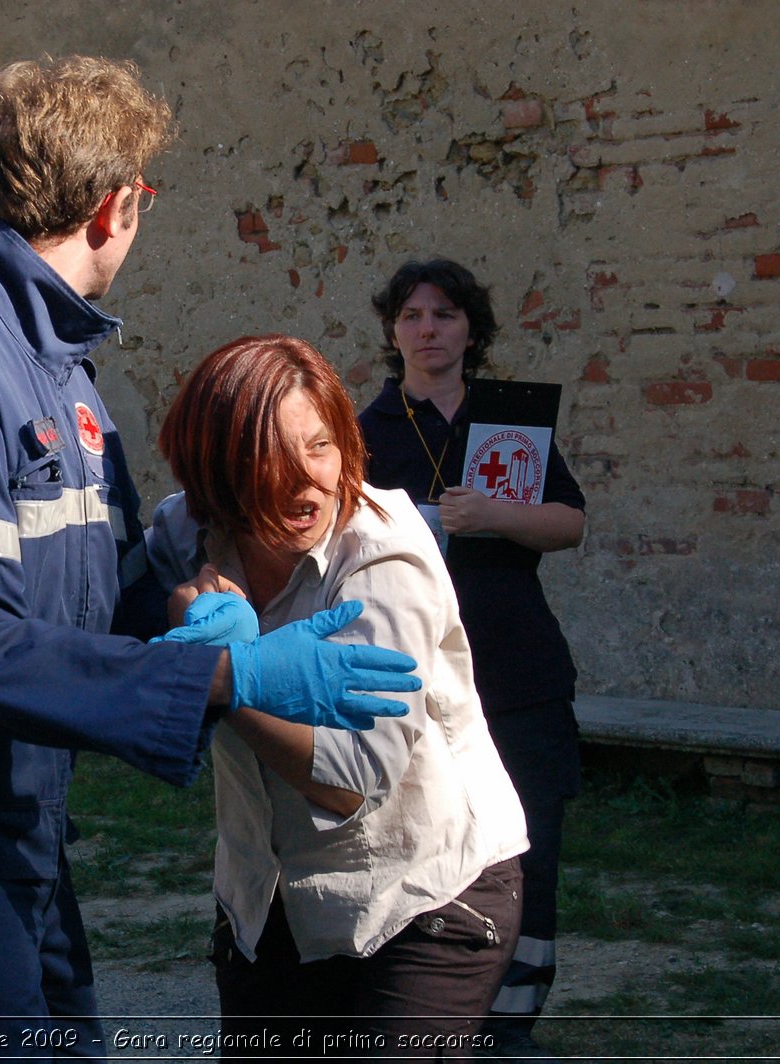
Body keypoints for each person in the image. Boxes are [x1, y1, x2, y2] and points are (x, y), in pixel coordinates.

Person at [0, 55, 420, 1057]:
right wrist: (227, 671)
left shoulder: (55, 369)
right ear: (116, 208)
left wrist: (180, 609)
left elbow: (93, 591)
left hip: (10, 828)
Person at [143, 334, 528, 1058]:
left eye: (320, 448)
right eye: (270, 461)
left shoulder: (382, 561)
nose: (305, 483)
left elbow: (353, 781)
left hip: (421, 894)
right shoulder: (186, 531)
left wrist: (225, 678)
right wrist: (185, 593)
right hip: (271, 897)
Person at [358, 259, 586, 1063]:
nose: (429, 330)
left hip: (517, 669)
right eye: (413, 316)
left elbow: (570, 524)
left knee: (532, 850)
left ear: (471, 330)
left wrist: (497, 514)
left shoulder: (511, 418)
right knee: (420, 844)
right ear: (394, 331)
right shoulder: (366, 430)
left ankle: (512, 1024)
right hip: (412, 675)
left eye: (446, 315)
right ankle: (430, 1015)